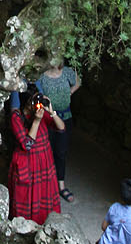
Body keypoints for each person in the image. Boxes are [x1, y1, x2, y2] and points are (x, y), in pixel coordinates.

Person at [8, 85, 62, 225]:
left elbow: (61, 128)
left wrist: (51, 112)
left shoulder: (40, 113)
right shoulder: (17, 117)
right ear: (26, 103)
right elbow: (27, 144)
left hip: (43, 161)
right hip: (27, 162)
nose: (37, 105)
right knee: (26, 197)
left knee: (44, 194)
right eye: (34, 101)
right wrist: (37, 121)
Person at [35, 61, 81, 201]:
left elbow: (78, 82)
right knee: (46, 151)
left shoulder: (67, 72)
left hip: (65, 117)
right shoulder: (42, 76)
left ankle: (61, 185)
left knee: (61, 152)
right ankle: (46, 185)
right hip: (48, 118)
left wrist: (70, 93)